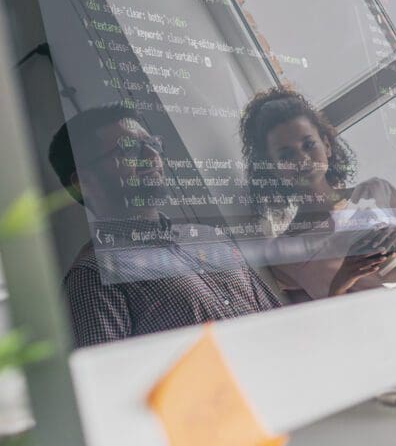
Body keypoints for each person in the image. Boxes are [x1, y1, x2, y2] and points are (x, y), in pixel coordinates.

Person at [49, 104, 279, 347]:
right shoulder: (91, 276)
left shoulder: (207, 236)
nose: (152, 157)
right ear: (85, 182)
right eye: (130, 149)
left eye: (153, 145)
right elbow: (111, 381)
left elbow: (275, 322)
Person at [238, 86, 396, 301]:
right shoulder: (282, 253)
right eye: (286, 156)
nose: (303, 160)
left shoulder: (377, 190)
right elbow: (320, 322)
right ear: (272, 168)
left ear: (326, 145)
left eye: (308, 145)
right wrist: (344, 278)